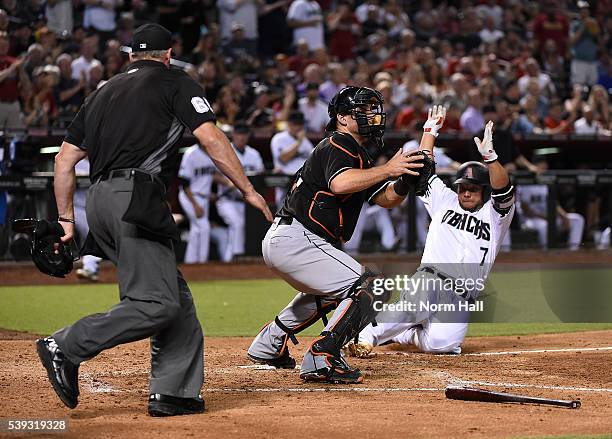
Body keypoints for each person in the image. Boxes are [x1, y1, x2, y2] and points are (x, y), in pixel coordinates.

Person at [37, 24, 272, 417]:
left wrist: (66, 220)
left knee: (175, 300)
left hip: (98, 200)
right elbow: (211, 138)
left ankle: (173, 392)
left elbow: (64, 160)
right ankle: (67, 344)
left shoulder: (101, 92)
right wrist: (247, 189)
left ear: (130, 56)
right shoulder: (175, 81)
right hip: (135, 196)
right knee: (156, 303)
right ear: (167, 55)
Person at [247, 86, 437, 384]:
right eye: (361, 111)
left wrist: (403, 182)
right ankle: (324, 355)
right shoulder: (338, 143)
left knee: (331, 294)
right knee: (372, 286)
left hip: (291, 239)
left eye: (372, 110)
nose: (371, 116)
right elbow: (340, 184)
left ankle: (269, 343)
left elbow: (385, 198)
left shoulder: (356, 155)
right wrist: (389, 169)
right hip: (299, 238)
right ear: (341, 118)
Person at [347, 120, 515, 357]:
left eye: (473, 188)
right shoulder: (444, 199)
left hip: (461, 295)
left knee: (442, 345)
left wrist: (491, 159)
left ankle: (403, 332)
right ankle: (366, 336)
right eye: (462, 187)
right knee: (417, 304)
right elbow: (424, 169)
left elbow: (504, 190)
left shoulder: (495, 216)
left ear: (485, 191)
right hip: (430, 280)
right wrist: (429, 133)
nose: (466, 192)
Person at [215, 122, 264, 262]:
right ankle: (237, 257)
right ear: (233, 134)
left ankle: (231, 260)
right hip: (228, 200)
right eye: (239, 134)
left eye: (244, 134)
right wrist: (228, 182)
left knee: (246, 227)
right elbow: (214, 175)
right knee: (237, 223)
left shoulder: (254, 154)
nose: (241, 137)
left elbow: (260, 176)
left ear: (248, 135)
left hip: (248, 204)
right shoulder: (224, 150)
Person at [517, 158, 585, 251]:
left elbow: (554, 203)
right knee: (544, 226)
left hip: (549, 218)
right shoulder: (526, 184)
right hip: (531, 220)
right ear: (534, 167)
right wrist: (546, 217)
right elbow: (526, 210)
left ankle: (573, 251)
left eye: (545, 169)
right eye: (542, 168)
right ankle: (547, 255)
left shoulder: (545, 183)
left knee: (577, 219)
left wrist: (563, 216)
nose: (544, 171)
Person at [177, 143, 219, 263]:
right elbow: (184, 183)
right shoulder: (191, 154)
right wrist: (195, 205)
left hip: (203, 197)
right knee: (204, 226)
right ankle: (202, 262)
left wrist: (208, 194)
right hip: (189, 196)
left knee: (196, 230)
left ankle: (190, 262)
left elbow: (209, 176)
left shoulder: (213, 150)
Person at [270, 110, 313, 206]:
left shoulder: (306, 142)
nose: (298, 127)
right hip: (286, 184)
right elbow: (283, 158)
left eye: (300, 124)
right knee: (284, 216)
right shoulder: (279, 138)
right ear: (289, 124)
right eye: (295, 124)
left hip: (303, 185)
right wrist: (298, 142)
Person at [73, 157, 102, 281]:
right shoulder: (76, 162)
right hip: (77, 207)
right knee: (92, 236)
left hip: (95, 207)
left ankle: (91, 268)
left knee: (94, 237)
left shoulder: (100, 161)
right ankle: (90, 267)